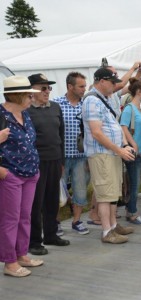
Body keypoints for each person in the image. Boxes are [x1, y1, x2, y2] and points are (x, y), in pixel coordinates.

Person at [82, 68, 136, 243]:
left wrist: (123, 146)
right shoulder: (92, 100)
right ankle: (107, 231)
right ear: (101, 81)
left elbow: (112, 126)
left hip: (110, 153)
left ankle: (113, 226)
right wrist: (120, 149)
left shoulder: (104, 98)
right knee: (105, 194)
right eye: (112, 82)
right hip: (102, 153)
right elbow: (96, 133)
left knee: (112, 192)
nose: (115, 85)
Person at [0, 76, 42, 277]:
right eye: (29, 95)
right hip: (11, 175)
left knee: (25, 216)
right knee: (11, 218)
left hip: (30, 172)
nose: (32, 99)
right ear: (17, 96)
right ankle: (9, 262)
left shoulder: (25, 115)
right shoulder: (1, 115)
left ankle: (21, 254)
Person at [27, 74, 69, 255]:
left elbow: (62, 135)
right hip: (37, 162)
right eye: (42, 88)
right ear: (31, 90)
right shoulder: (26, 111)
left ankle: (51, 234)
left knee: (52, 200)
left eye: (49, 88)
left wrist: (62, 160)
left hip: (55, 160)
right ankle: (34, 241)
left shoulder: (55, 107)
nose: (47, 91)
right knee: (35, 203)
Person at [53, 72, 90, 235]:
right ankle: (56, 222)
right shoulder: (56, 104)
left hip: (82, 156)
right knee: (57, 191)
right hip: (62, 156)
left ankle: (76, 221)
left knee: (80, 190)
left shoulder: (87, 104)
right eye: (81, 86)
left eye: (85, 86)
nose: (84, 89)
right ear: (70, 86)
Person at [119, 77, 141, 225]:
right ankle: (131, 212)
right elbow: (123, 126)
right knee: (135, 183)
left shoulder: (140, 109)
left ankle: (131, 209)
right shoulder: (129, 108)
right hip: (134, 151)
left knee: (135, 182)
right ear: (138, 92)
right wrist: (133, 144)